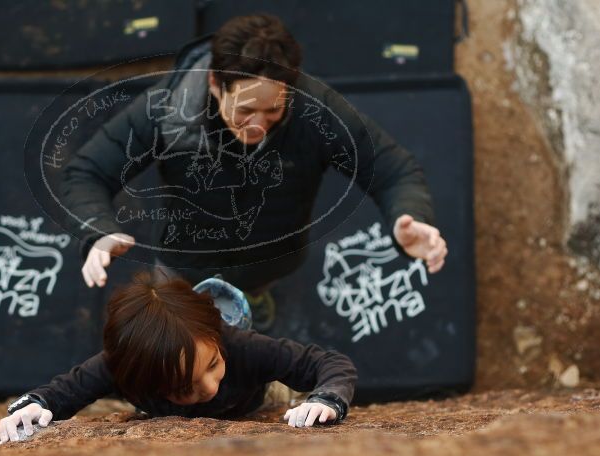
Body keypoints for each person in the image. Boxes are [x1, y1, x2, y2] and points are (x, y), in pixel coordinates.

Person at [61, 14, 448, 329]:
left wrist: (407, 218)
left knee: (274, 403)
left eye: (273, 111)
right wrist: (99, 230)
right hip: (182, 278)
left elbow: (393, 170)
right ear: (215, 84)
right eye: (244, 111)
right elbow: (88, 171)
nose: (258, 125)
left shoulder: (318, 114)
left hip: (274, 280)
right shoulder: (166, 109)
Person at [0, 273, 357, 443]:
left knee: (279, 391)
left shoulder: (242, 347)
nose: (209, 387)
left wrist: (326, 398)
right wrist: (33, 406)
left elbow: (331, 364)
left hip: (254, 392)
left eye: (213, 366)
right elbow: (65, 391)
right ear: (140, 380)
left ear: (217, 343)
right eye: (184, 385)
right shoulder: (121, 365)